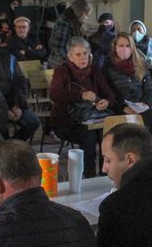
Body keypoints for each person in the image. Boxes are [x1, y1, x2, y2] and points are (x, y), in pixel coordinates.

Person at [49, 37, 115, 178]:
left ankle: (105, 173)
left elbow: (109, 94)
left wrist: (106, 102)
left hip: (92, 118)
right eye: (78, 54)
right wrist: (81, 96)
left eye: (85, 53)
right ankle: (89, 175)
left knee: (108, 134)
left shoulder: (95, 71)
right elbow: (54, 94)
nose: (82, 58)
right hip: (66, 120)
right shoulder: (62, 71)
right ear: (70, 57)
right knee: (89, 137)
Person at [0, 29, 40, 141]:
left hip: (13, 102)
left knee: (33, 122)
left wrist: (17, 105)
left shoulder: (10, 58)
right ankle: (7, 148)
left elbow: (20, 82)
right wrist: (3, 109)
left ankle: (12, 145)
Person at [102, 32, 152, 134]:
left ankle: (147, 148)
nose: (125, 49)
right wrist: (124, 107)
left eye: (128, 46)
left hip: (141, 105)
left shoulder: (141, 65)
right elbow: (107, 92)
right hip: (119, 107)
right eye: (121, 46)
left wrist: (145, 103)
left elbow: (149, 89)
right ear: (115, 47)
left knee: (149, 116)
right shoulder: (107, 68)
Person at [47, 0, 92, 68]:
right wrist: (73, 61)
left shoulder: (75, 23)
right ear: (80, 12)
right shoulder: (65, 22)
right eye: (86, 14)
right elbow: (58, 47)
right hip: (60, 65)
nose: (86, 17)